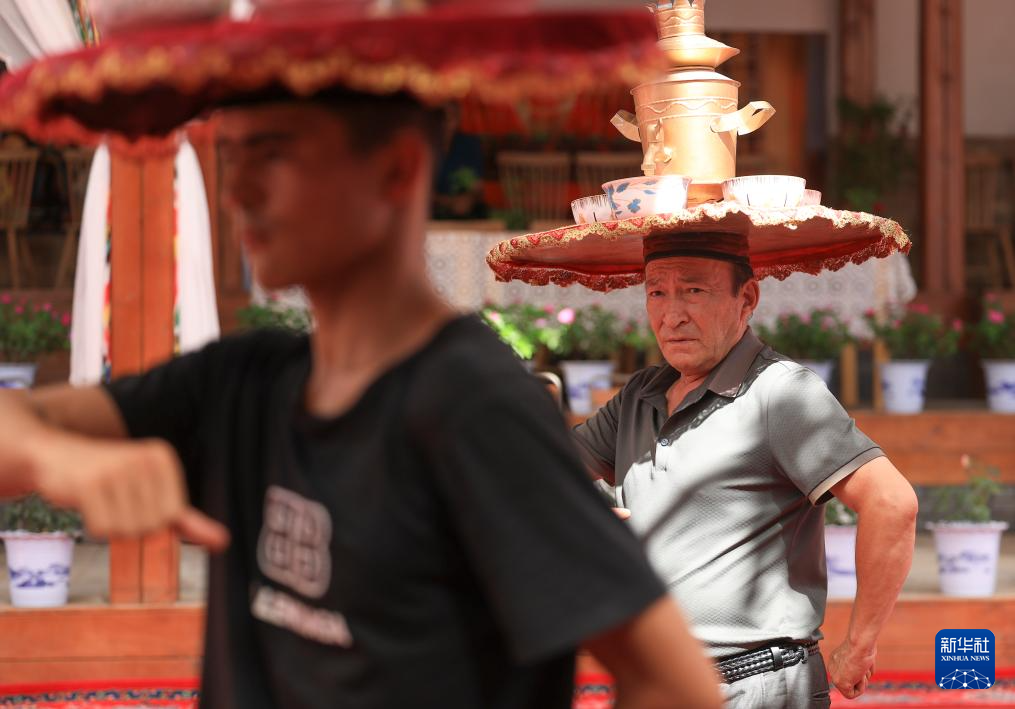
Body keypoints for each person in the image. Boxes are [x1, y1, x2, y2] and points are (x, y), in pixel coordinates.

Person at [0, 82, 724, 709]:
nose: (237, 191)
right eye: (233, 156)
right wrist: (57, 458)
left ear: (396, 169)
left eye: (273, 154)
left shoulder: (471, 404)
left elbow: (674, 682)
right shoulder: (247, 378)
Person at [572, 232, 919, 708]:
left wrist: (859, 646)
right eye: (657, 292)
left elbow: (892, 502)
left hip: (757, 685)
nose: (672, 315)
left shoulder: (780, 392)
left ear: (747, 298)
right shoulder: (640, 394)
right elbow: (543, 471)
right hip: (658, 684)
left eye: (694, 290)